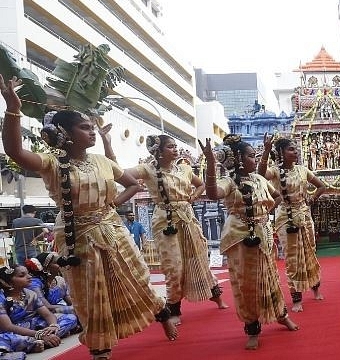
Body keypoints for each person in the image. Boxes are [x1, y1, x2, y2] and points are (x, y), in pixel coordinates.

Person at [0, 75, 177, 360]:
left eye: (92, 128)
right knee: (88, 294)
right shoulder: (53, 163)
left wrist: (109, 206)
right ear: (64, 134)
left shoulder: (103, 161)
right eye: (85, 128)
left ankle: (163, 314)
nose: (92, 132)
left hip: (111, 229)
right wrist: (12, 107)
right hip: (76, 235)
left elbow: (133, 183)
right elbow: (15, 152)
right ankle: (100, 350)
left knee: (136, 278)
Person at [199, 134, 298, 350]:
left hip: (262, 235)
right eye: (252, 156)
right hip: (239, 238)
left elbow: (277, 197)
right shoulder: (228, 181)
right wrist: (210, 163)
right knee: (247, 285)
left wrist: (263, 216)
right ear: (238, 160)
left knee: (270, 277)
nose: (256, 160)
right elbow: (213, 194)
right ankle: (252, 329)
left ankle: (281, 314)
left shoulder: (259, 179)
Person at [126, 134, 228, 326]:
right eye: (171, 147)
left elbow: (202, 184)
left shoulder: (185, 169)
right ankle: (174, 308)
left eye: (176, 146)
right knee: (174, 266)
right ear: (159, 151)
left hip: (187, 217)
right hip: (165, 221)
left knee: (199, 260)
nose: (175, 150)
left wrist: (193, 197)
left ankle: (216, 296)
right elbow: (121, 172)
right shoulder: (148, 169)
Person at [258, 134, 326, 312]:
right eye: (291, 149)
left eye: (296, 149)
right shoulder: (274, 171)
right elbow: (260, 174)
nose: (295, 152)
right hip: (285, 218)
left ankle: (316, 289)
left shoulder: (303, 170)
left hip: (304, 215)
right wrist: (266, 151)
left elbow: (321, 186)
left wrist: (311, 199)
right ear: (281, 152)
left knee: (310, 252)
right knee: (292, 257)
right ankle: (296, 299)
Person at [0, 265, 77, 355]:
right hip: (11, 332)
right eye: (22, 275)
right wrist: (38, 334)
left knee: (70, 318)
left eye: (28, 273)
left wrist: (54, 325)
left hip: (32, 326)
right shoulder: (2, 297)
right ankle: (38, 341)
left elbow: (47, 314)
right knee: (10, 340)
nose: (29, 277)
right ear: (9, 282)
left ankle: (42, 340)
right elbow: (8, 327)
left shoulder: (30, 294)